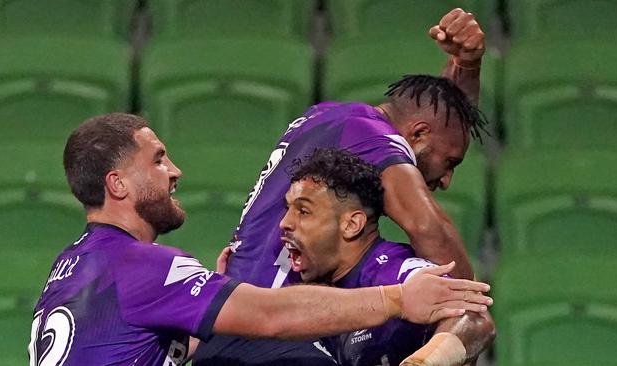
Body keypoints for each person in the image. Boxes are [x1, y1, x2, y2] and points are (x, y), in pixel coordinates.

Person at [28, 113, 492, 365]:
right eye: (158, 160)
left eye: (304, 210)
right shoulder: (143, 266)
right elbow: (269, 315)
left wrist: (217, 298)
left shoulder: (68, 270)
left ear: (352, 223)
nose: (175, 172)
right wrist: (397, 300)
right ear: (118, 185)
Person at [194, 8, 490, 365]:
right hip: (283, 336)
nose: (445, 180)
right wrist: (466, 299)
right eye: (450, 163)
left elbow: (444, 115)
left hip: (225, 333)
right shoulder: (373, 135)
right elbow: (428, 227)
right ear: (418, 135)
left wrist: (466, 67)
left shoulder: (327, 118)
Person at [278, 148, 495, 366]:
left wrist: (423, 362)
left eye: (303, 211)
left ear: (352, 225)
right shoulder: (311, 288)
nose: (285, 223)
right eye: (287, 209)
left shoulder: (394, 269)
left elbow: (473, 318)